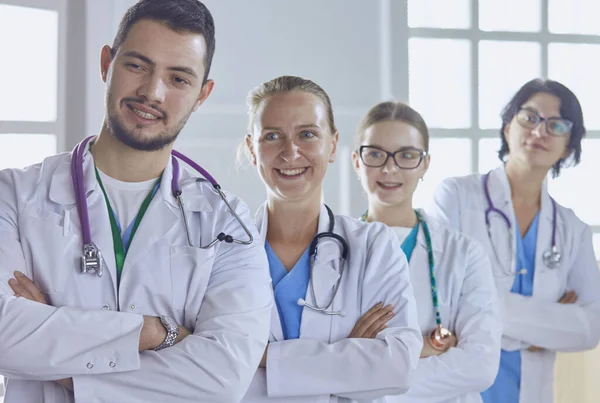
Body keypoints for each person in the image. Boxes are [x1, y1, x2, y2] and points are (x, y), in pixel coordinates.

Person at [0, 1, 272, 402]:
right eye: (137, 66)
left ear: (202, 94)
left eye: (178, 79)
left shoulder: (228, 224)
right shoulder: (14, 195)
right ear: (107, 63)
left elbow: (224, 377)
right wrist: (155, 333)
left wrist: (65, 367)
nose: (152, 92)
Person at [238, 76, 423, 403]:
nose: (290, 152)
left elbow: (397, 367)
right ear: (253, 149)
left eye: (307, 134)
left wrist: (262, 357)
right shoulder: (224, 251)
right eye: (272, 136)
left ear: (333, 145)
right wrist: (345, 357)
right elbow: (211, 365)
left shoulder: (373, 245)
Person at [430, 78, 600, 403]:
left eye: (557, 124)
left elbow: (590, 329)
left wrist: (484, 319)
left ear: (568, 145)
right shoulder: (455, 196)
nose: (540, 131)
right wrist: (547, 325)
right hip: (458, 390)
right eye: (530, 117)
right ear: (508, 126)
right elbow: (443, 299)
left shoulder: (573, 230)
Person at [352, 101, 501, 403]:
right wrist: (418, 349)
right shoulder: (330, 252)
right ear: (357, 161)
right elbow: (321, 353)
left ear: (425, 164)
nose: (389, 168)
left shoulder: (464, 254)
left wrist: (367, 374)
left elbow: (480, 364)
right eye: (376, 154)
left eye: (406, 155)